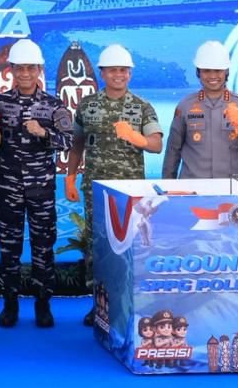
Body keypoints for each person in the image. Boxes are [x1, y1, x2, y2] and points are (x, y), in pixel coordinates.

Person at [64, 43, 162, 326]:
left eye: (123, 70)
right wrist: (70, 177)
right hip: (95, 189)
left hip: (129, 192)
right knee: (98, 247)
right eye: (112, 70)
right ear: (102, 73)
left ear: (130, 73)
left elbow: (156, 145)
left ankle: (127, 304)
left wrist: (136, 137)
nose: (119, 75)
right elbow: (77, 144)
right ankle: (99, 305)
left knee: (128, 247)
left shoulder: (142, 106)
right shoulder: (87, 105)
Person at [0, 39, 72, 329]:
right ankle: (9, 303)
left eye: (30, 68)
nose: (25, 74)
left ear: (39, 70)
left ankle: (43, 304)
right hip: (7, 187)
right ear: (10, 70)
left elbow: (68, 141)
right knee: (8, 248)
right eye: (19, 68)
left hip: (41, 190)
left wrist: (43, 133)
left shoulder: (53, 104)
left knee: (43, 247)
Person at [163, 41, 238, 179]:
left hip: (232, 186)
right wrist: (167, 184)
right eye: (206, 70)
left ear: (226, 72)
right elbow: (173, 150)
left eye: (218, 70)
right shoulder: (185, 106)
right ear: (198, 72)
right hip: (193, 186)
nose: (212, 76)